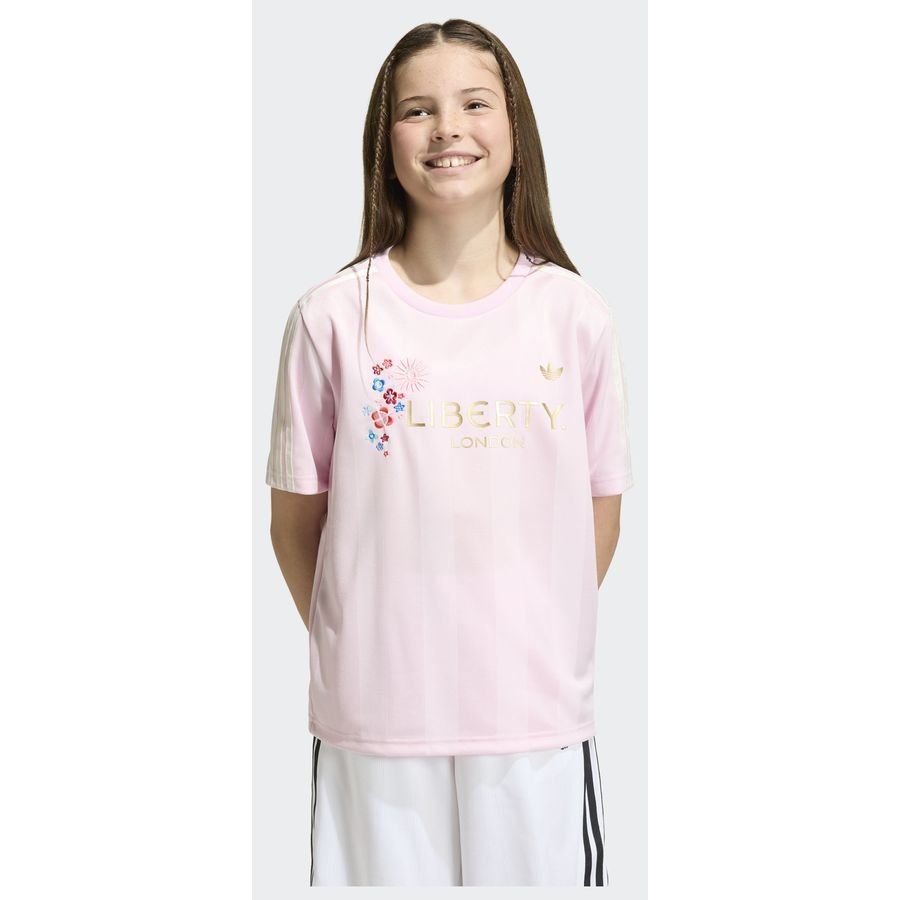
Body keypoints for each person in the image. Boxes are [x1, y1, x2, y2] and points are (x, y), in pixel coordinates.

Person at [266, 18, 634, 887]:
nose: (447, 130)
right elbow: (296, 523)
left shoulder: (573, 315)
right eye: (416, 110)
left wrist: (529, 635)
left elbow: (597, 512)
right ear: (383, 139)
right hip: (376, 724)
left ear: (515, 127)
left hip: (533, 722)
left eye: (474, 103)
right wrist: (372, 640)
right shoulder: (333, 318)